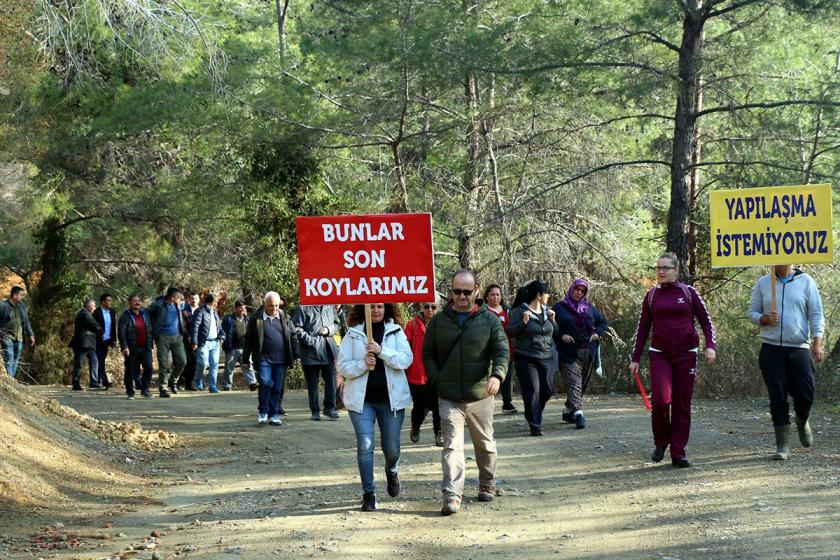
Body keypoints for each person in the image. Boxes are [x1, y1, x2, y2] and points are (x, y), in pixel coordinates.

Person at [423, 270, 510, 516]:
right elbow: (427, 353)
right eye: (456, 291)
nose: (461, 296)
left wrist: (497, 375)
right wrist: (436, 378)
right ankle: (452, 494)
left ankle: (487, 483)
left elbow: (502, 350)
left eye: (466, 291)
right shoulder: (439, 321)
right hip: (449, 396)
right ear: (451, 291)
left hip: (480, 394)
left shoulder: (489, 320)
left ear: (477, 291)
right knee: (452, 446)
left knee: (485, 444)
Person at [630, 252, 717, 468]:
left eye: (665, 268)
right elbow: (642, 329)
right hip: (659, 354)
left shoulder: (689, 293)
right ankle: (661, 442)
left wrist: (710, 346)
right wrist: (635, 358)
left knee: (682, 404)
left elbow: (706, 321)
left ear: (676, 270)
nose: (661, 271)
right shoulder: (651, 296)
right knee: (660, 400)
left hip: (687, 355)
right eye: (658, 268)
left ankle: (678, 451)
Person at [338, 303, 412, 512]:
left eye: (380, 306)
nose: (376, 310)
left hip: (391, 402)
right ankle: (368, 493)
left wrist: (382, 352)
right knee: (365, 444)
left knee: (392, 448)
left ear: (386, 308)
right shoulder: (353, 334)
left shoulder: (396, 331)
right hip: (362, 403)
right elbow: (342, 366)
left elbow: (406, 360)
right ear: (364, 310)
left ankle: (392, 470)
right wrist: (362, 363)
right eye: (372, 307)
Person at [747, 264, 825, 460]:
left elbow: (816, 314)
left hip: (798, 347)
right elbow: (752, 313)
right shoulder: (764, 283)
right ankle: (782, 445)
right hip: (771, 348)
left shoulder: (806, 281)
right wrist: (763, 319)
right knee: (778, 396)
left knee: (806, 393)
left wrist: (817, 343)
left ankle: (802, 419)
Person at [552, 279, 608, 430]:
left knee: (581, 384)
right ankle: (579, 414)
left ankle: (569, 410)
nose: (579, 293)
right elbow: (551, 326)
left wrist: (597, 333)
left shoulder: (589, 308)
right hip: (569, 351)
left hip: (588, 351)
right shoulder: (559, 307)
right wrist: (561, 335)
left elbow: (603, 322)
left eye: (583, 291)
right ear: (572, 289)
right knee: (573, 382)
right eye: (577, 289)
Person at [507, 280, 558, 437]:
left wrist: (553, 321)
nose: (549, 296)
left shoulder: (547, 312)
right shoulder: (521, 311)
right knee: (533, 392)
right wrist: (523, 322)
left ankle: (533, 412)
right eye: (547, 293)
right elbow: (510, 332)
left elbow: (556, 333)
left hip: (547, 357)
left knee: (548, 390)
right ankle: (535, 425)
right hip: (526, 357)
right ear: (539, 295)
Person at [245, 292, 299, 425]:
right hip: (264, 358)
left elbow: (293, 335)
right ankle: (263, 412)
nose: (274, 309)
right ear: (264, 305)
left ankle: (274, 415)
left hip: (281, 360)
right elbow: (249, 340)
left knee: (277, 387)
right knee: (265, 383)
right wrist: (245, 359)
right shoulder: (256, 319)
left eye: (276, 305)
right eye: (271, 306)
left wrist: (297, 354)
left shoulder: (284, 316)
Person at [293, 304, 342, 420]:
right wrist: (311, 341)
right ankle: (315, 411)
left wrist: (329, 329)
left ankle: (330, 408)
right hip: (310, 352)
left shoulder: (330, 306)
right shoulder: (302, 308)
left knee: (331, 380)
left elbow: (337, 324)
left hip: (327, 350)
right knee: (312, 383)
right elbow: (296, 328)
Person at [404, 300, 442, 446]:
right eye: (427, 306)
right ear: (421, 307)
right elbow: (405, 348)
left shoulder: (443, 324)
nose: (430, 310)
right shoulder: (412, 325)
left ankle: (439, 434)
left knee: (439, 405)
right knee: (419, 407)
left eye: (433, 307)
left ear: (438, 308)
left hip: (437, 374)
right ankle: (416, 426)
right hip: (417, 374)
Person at [484, 284, 518, 415]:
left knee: (507, 376)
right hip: (488, 349)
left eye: (498, 294)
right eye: (492, 294)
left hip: (506, 348)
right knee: (489, 376)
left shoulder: (506, 310)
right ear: (487, 296)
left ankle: (507, 402)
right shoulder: (483, 311)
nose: (495, 297)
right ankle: (486, 404)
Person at [148, 287, 188, 398]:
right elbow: (146, 314)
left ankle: (173, 380)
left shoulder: (179, 305)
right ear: (172, 297)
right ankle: (163, 388)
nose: (180, 299)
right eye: (178, 297)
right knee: (164, 363)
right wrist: (153, 329)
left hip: (177, 337)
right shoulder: (158, 305)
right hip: (162, 337)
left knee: (182, 361)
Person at [117, 294, 154, 399]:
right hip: (131, 348)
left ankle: (145, 389)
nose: (137, 303)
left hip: (145, 347)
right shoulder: (125, 316)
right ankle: (130, 392)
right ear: (129, 303)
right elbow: (121, 333)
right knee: (130, 370)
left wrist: (151, 343)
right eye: (134, 301)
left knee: (149, 368)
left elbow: (149, 329)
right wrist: (124, 346)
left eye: (138, 301)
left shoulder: (145, 314)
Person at [191, 293, 226, 393]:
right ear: (213, 302)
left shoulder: (214, 312)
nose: (217, 304)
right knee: (203, 364)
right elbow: (195, 327)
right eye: (216, 302)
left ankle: (212, 386)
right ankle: (197, 380)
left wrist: (222, 337)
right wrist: (194, 341)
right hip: (203, 343)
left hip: (215, 343)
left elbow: (219, 327)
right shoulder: (200, 311)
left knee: (214, 365)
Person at [221, 300, 258, 391]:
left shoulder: (247, 319)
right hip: (232, 348)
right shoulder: (228, 319)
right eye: (240, 307)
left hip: (245, 348)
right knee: (229, 368)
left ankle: (253, 383)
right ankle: (227, 385)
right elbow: (222, 331)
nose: (242, 309)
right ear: (236, 308)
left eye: (244, 307)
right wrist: (223, 341)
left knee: (248, 366)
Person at [0, 286, 35, 378]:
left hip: (19, 338)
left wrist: (31, 334)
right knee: (9, 358)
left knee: (15, 360)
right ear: (15, 295)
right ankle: (10, 380)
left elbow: (26, 321)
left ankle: (11, 379)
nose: (22, 297)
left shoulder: (22, 306)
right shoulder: (2, 306)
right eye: (21, 295)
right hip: (7, 337)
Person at [70, 299, 102, 390]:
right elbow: (95, 325)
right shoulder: (85, 314)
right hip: (83, 343)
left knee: (94, 361)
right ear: (88, 306)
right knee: (79, 363)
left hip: (88, 344)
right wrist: (101, 330)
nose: (95, 308)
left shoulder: (84, 313)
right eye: (94, 306)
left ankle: (94, 382)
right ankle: (76, 383)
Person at [92, 293, 117, 389]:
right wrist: (99, 334)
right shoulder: (97, 312)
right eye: (108, 301)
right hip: (99, 341)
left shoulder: (112, 311)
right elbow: (94, 326)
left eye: (111, 301)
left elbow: (113, 326)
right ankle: (105, 381)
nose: (110, 302)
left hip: (108, 340)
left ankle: (97, 381)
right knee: (101, 360)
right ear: (103, 302)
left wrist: (114, 340)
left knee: (101, 360)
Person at [180, 293, 201, 391]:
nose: (194, 300)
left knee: (195, 362)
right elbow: (182, 327)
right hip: (186, 341)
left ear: (199, 299)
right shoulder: (184, 312)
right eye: (192, 298)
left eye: (196, 298)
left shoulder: (202, 311)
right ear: (189, 299)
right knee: (186, 362)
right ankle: (182, 381)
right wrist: (189, 338)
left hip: (199, 341)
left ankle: (191, 383)